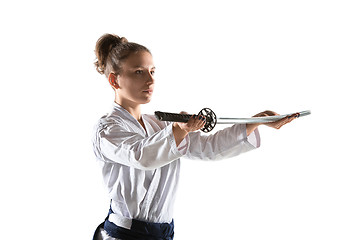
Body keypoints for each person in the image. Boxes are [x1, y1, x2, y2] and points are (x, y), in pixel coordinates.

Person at [91, 33, 297, 240]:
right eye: (138, 72)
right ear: (114, 80)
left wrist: (256, 121)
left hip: (163, 233)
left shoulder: (159, 124)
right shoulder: (107, 129)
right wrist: (180, 130)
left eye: (152, 71)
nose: (150, 80)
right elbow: (141, 155)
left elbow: (210, 148)